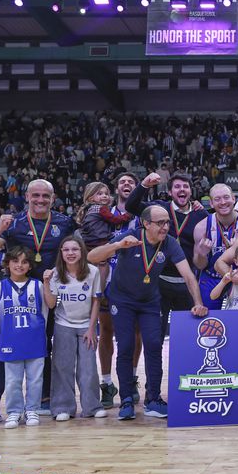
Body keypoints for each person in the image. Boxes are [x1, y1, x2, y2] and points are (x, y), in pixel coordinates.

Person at [88, 205, 208, 421]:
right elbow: (92, 256)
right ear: (146, 224)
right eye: (160, 222)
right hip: (122, 300)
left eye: (167, 222)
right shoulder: (130, 236)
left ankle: (153, 399)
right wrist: (117, 245)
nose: (165, 226)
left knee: (154, 345)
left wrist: (197, 302)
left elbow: (189, 275)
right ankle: (126, 400)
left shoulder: (170, 242)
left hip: (150, 301)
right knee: (125, 346)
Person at [0, 179, 75, 428]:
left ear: (53, 199)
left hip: (47, 297)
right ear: (27, 197)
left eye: (46, 196)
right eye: (36, 195)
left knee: (46, 348)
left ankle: (44, 399)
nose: (40, 200)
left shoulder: (64, 223)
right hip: (14, 296)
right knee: (1, 352)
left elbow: (76, 254)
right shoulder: (14, 224)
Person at [127, 172, 208, 342]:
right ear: (170, 192)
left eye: (185, 186)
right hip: (159, 282)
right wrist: (144, 185)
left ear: (191, 192)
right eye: (177, 187)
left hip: (186, 284)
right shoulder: (159, 208)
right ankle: (156, 369)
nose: (182, 189)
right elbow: (131, 206)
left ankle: (184, 369)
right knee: (155, 335)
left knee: (187, 338)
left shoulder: (201, 215)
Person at [42, 236, 106, 422]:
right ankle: (63, 407)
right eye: (66, 250)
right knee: (62, 367)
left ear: (82, 252)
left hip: (86, 325)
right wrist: (46, 283)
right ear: (61, 253)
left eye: (75, 249)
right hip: (63, 325)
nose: (70, 253)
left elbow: (96, 301)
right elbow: (52, 304)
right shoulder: (55, 274)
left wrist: (92, 328)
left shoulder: (93, 271)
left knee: (88, 369)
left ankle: (92, 406)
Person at [0, 246, 48, 429]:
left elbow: (44, 314)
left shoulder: (37, 285)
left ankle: (32, 409)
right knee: (13, 380)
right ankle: (14, 411)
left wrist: (37, 333)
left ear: (30, 266)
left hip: (35, 340)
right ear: (8, 264)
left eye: (24, 262)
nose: (20, 265)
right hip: (11, 341)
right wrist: (8, 336)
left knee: (35, 379)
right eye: (15, 261)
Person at [99, 172, 144, 409]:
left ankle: (133, 378)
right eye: (122, 182)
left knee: (136, 331)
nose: (126, 185)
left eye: (131, 182)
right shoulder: (102, 213)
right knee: (106, 329)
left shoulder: (143, 212)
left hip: (135, 277)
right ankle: (106, 383)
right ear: (116, 189)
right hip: (108, 276)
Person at [193, 184, 238, 311]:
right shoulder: (201, 227)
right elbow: (200, 265)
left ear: (233, 199)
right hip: (211, 278)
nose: (223, 202)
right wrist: (202, 254)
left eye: (226, 197)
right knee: (210, 321)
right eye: (217, 199)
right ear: (210, 203)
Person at [75, 182, 133, 286]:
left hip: (87, 241)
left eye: (106, 193)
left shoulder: (86, 208)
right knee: (103, 264)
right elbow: (114, 219)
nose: (104, 196)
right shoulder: (101, 208)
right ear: (91, 197)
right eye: (100, 193)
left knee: (91, 266)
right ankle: (100, 291)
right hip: (100, 240)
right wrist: (128, 215)